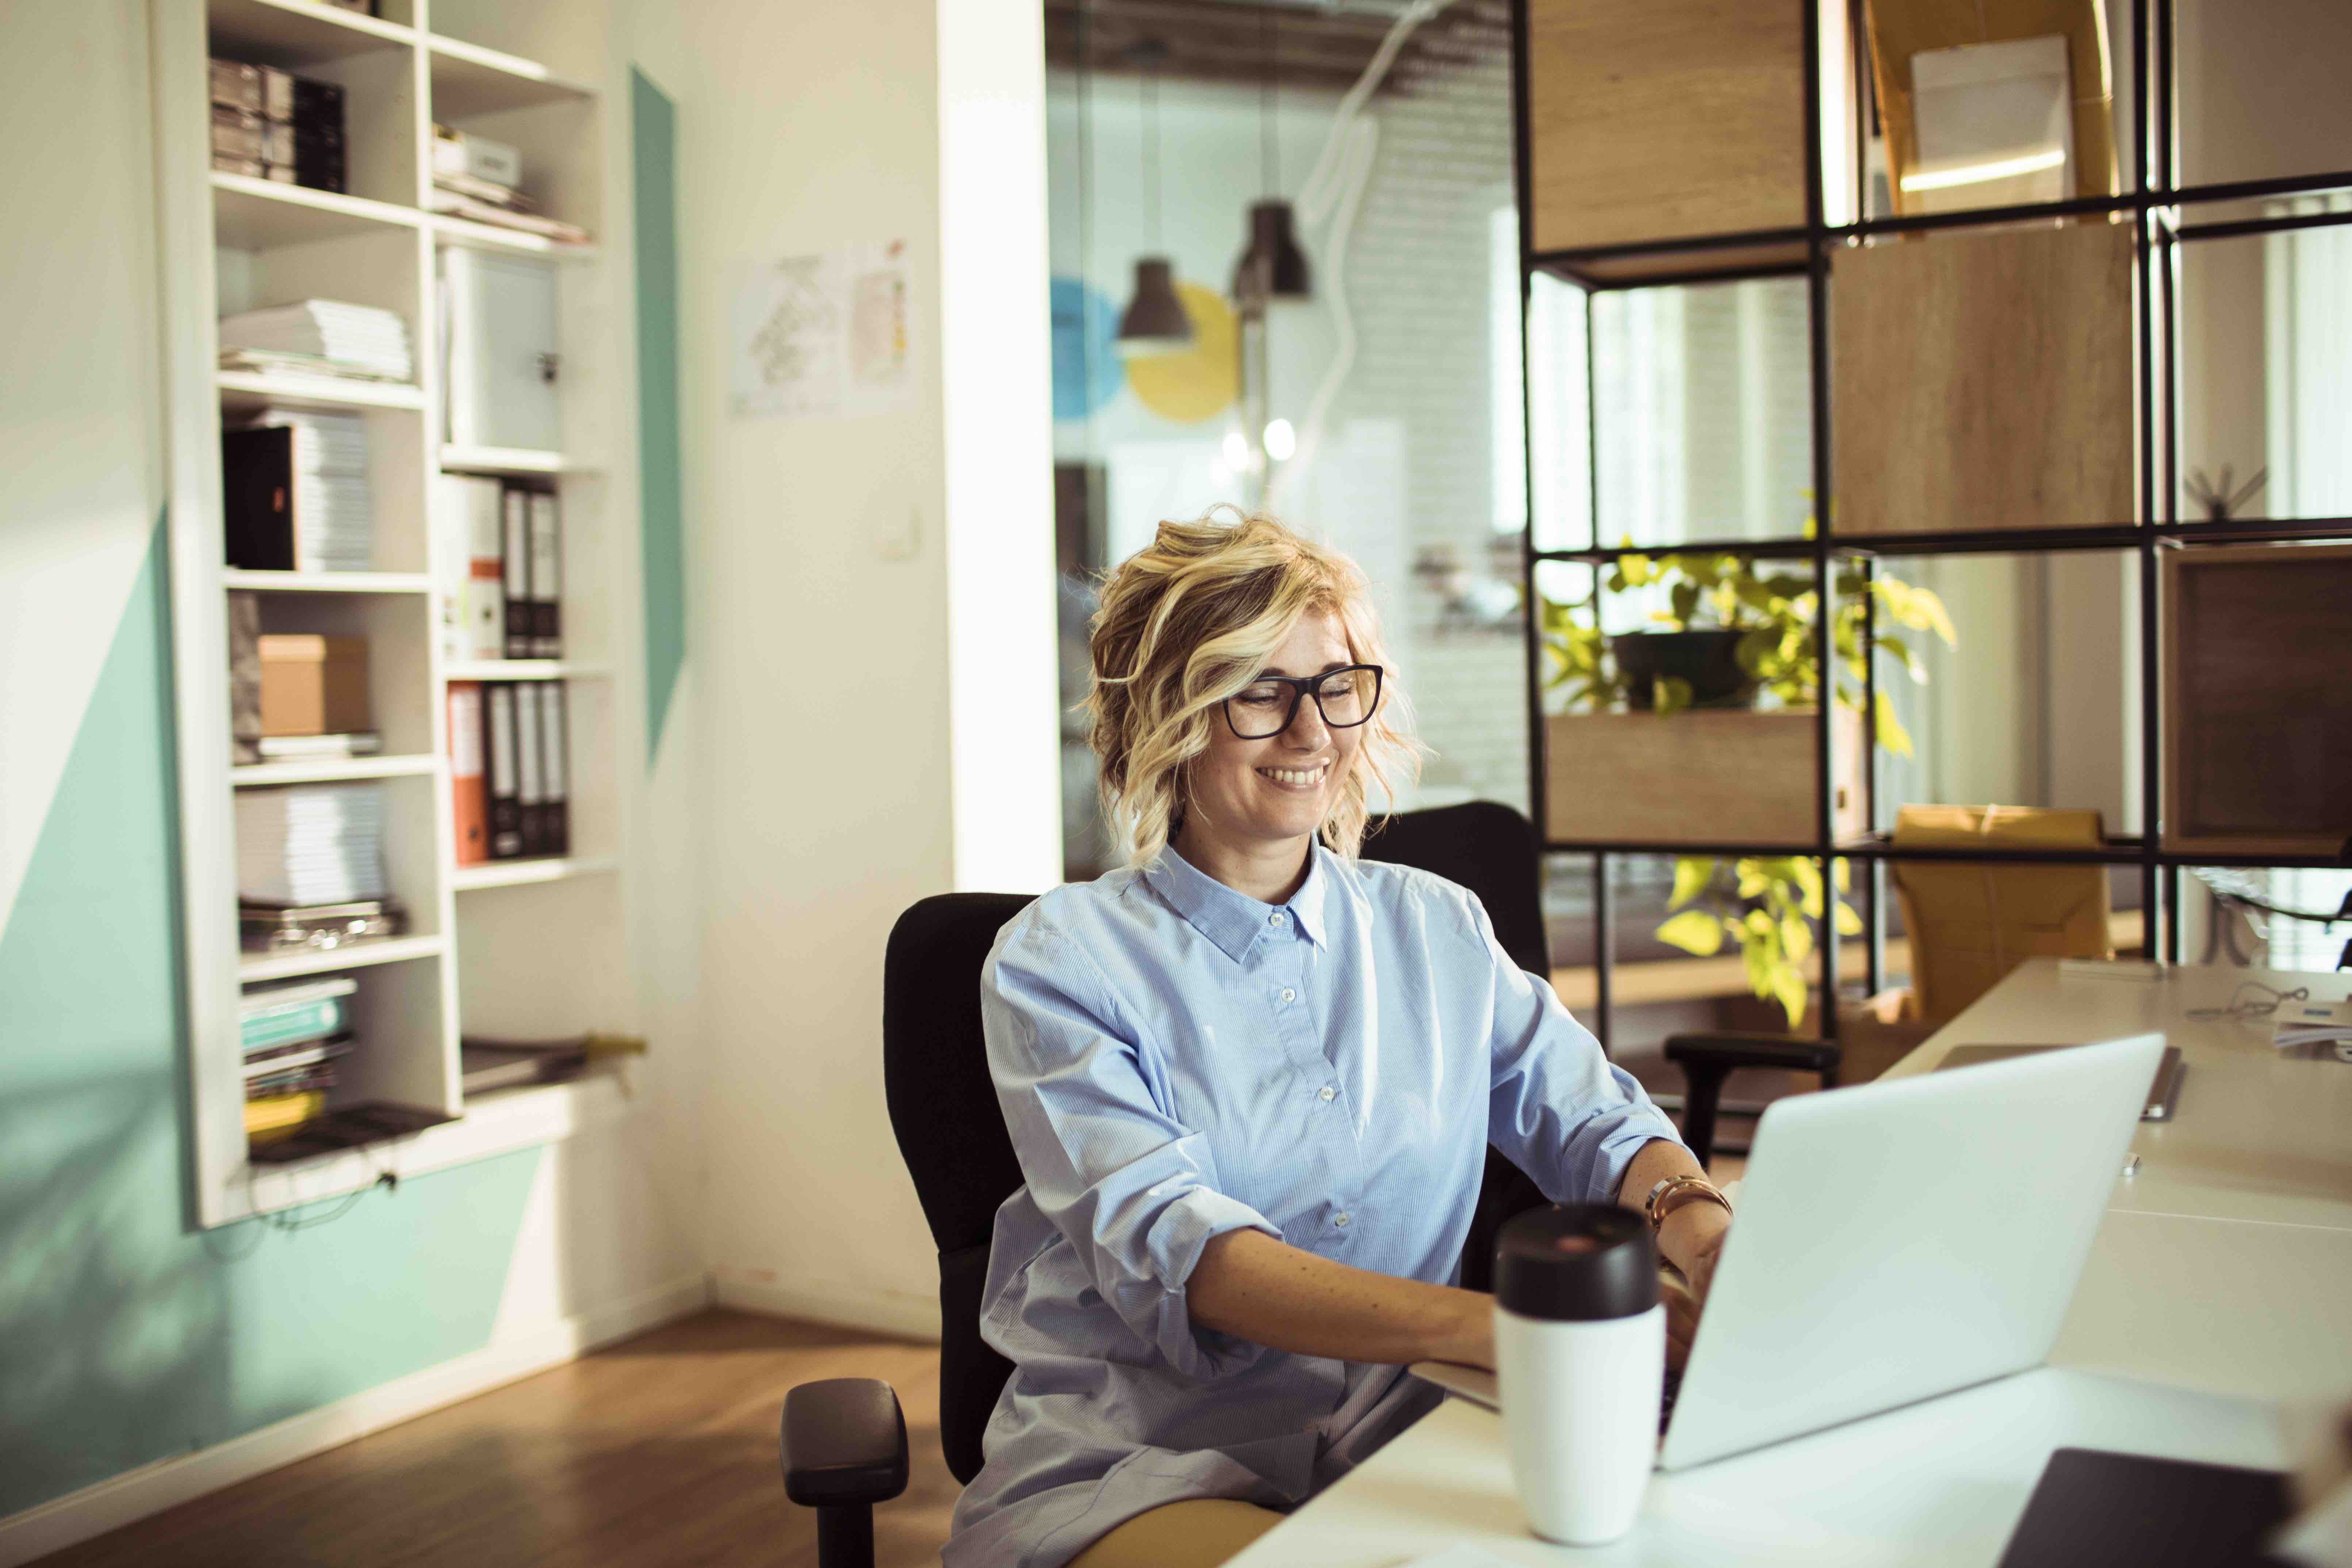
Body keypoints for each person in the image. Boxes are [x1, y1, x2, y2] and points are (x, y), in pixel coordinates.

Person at [943, 511, 1733, 1568]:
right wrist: (1495, 1330)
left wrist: (1700, 1230)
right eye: (1259, 691)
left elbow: (1594, 1122)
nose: (1310, 730)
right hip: (1146, 1456)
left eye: (1334, 684)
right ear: (1166, 711)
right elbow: (1190, 1257)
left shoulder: (1436, 925)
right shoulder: (1061, 961)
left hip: (1411, 1437)